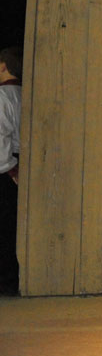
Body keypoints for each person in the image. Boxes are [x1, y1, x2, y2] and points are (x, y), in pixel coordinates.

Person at [0, 46, 20, 294]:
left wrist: (9, 168)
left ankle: (5, 278)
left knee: (4, 225)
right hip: (20, 159)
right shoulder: (24, 93)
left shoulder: (3, 96)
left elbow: (1, 136)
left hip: (6, 166)